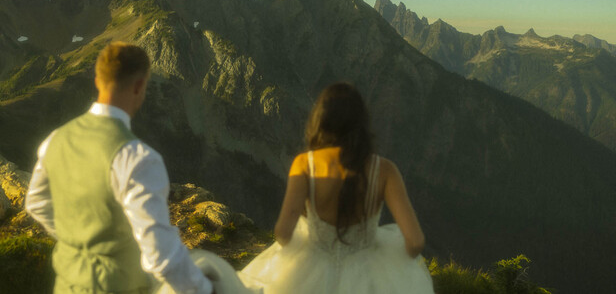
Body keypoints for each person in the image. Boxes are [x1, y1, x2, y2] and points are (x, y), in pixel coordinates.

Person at [25, 41, 214, 294]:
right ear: (139, 86)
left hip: (66, 284)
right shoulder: (138, 157)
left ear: (97, 81)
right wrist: (206, 290)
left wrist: (79, 241)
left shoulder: (55, 140)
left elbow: (36, 203)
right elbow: (160, 255)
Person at [238, 82, 434, 293]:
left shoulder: (305, 165)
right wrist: (393, 263)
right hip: (368, 277)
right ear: (361, 124)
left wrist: (304, 240)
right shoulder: (385, 170)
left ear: (320, 120)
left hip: (307, 275)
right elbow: (415, 242)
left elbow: (283, 233)